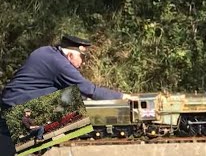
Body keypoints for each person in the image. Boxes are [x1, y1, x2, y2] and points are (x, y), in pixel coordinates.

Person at [0, 35, 132, 155]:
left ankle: (34, 147)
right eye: (82, 57)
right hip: (21, 112)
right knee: (74, 107)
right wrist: (122, 97)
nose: (83, 63)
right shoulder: (60, 63)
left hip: (12, 106)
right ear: (70, 56)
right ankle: (35, 146)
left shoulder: (46, 52)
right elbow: (90, 90)